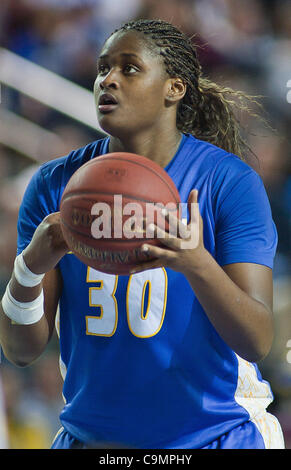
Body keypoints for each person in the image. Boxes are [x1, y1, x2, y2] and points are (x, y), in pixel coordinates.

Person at [0, 18, 285, 449]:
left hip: (216, 436)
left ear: (174, 88)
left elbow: (257, 340)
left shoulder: (228, 182)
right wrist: (29, 268)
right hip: (93, 440)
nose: (108, 79)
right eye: (102, 68)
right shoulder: (55, 185)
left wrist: (196, 263)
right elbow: (21, 351)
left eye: (129, 68)